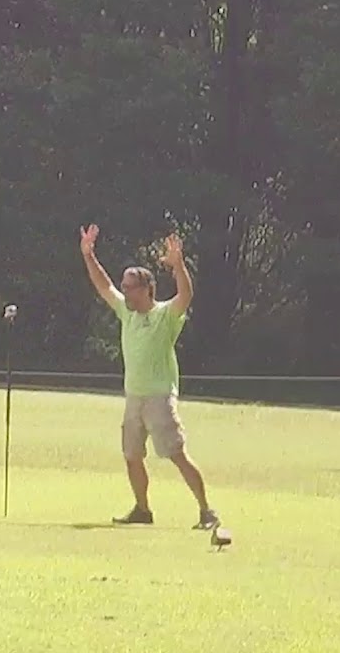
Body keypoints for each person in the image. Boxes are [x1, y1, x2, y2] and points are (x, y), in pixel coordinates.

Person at [80, 224, 219, 530]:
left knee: (177, 454)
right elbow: (103, 286)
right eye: (125, 286)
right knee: (132, 455)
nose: (125, 291)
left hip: (159, 397)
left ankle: (207, 511)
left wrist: (178, 265)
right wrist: (89, 255)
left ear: (146, 289)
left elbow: (185, 295)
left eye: (130, 287)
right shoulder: (126, 313)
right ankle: (142, 510)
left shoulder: (164, 316)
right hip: (134, 397)